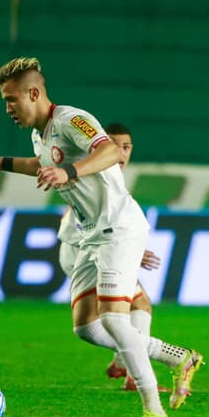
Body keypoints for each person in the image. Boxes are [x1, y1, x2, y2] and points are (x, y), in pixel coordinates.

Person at [0, 57, 203, 417]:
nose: (8, 108)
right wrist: (2, 163)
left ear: (34, 93)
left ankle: (153, 411)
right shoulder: (41, 134)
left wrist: (68, 171)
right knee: (87, 327)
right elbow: (41, 162)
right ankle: (179, 357)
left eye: (11, 99)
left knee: (114, 319)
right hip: (90, 236)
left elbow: (110, 150)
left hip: (118, 229)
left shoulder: (70, 119)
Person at [57, 122, 168, 392]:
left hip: (87, 249)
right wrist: (124, 246)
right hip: (86, 249)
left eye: (127, 147)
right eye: (114, 145)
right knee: (138, 307)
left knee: (114, 316)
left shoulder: (107, 175)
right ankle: (135, 373)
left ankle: (122, 362)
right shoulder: (97, 172)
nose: (121, 152)